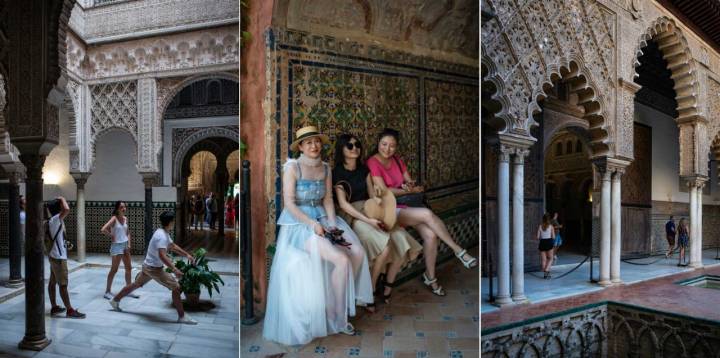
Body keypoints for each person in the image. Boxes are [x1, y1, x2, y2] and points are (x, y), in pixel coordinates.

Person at [263, 125, 373, 346]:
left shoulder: (325, 168)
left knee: (357, 252)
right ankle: (335, 315)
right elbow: (289, 203)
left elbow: (328, 200)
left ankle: (334, 300)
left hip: (323, 217)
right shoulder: (292, 167)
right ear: (301, 147)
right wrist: (312, 224)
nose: (314, 146)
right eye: (308, 142)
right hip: (299, 224)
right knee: (341, 260)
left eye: (317, 141)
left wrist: (332, 224)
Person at [366, 128, 477, 296]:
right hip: (389, 209)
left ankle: (431, 278)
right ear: (378, 143)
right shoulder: (373, 162)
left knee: (431, 236)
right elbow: (383, 191)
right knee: (427, 215)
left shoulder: (397, 160)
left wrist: (411, 187)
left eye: (392, 146)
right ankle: (458, 250)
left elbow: (410, 181)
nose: (387, 149)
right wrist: (406, 191)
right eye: (384, 144)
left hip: (407, 207)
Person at [332, 134, 422, 308]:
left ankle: (385, 285)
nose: (354, 148)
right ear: (341, 149)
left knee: (400, 239)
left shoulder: (364, 169)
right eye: (349, 146)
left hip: (371, 210)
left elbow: (372, 196)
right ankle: (370, 292)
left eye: (357, 144)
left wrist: (380, 201)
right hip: (353, 216)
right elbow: (343, 205)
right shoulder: (337, 173)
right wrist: (368, 220)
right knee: (385, 247)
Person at [109, 211, 198, 324]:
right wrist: (175, 269)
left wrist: (187, 255)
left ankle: (115, 300)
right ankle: (182, 316)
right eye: (173, 221)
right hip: (153, 269)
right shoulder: (162, 236)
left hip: (148, 266)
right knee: (176, 287)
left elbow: (172, 246)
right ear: (170, 222)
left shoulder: (162, 232)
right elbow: (162, 255)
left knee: (136, 284)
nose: (174, 223)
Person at [47, 196, 86, 318]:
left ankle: (54, 307)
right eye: (61, 205)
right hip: (58, 258)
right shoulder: (55, 219)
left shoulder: (54, 220)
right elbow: (67, 209)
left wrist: (65, 245)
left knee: (52, 282)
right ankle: (70, 310)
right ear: (59, 208)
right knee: (63, 284)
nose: (64, 205)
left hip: (55, 255)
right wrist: (63, 198)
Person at [100, 201, 139, 300]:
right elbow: (103, 229)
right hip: (117, 246)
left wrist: (129, 243)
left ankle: (128, 290)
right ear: (117, 209)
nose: (124, 209)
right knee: (114, 269)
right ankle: (107, 291)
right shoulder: (114, 219)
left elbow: (128, 232)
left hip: (125, 245)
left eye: (124, 207)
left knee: (129, 268)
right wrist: (111, 235)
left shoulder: (125, 219)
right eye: (121, 207)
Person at [537, 213, 555, 279]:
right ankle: (547, 270)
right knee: (550, 258)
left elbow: (537, 237)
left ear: (543, 219)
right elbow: (553, 237)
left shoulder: (540, 226)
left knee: (544, 259)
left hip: (542, 242)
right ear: (549, 219)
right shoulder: (551, 226)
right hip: (549, 242)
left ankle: (545, 274)